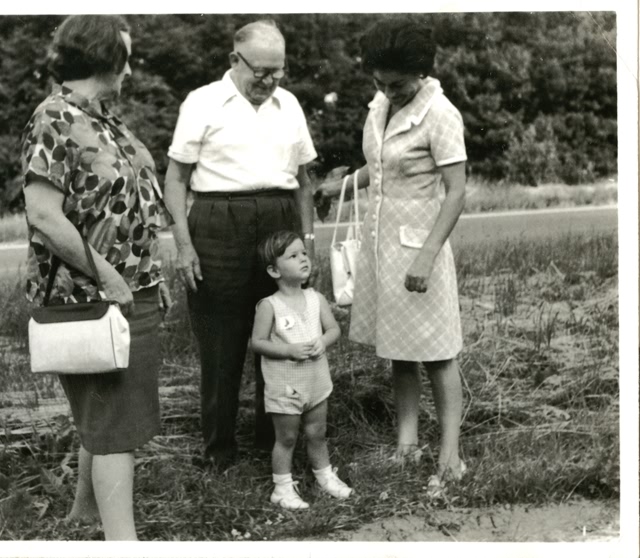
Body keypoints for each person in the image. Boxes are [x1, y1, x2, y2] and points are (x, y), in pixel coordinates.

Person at [21, 15, 171, 540]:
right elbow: (44, 214)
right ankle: (121, 543)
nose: (130, 69)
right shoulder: (55, 118)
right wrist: (109, 276)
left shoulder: (106, 118)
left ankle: (84, 514)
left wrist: (148, 273)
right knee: (115, 429)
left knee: (107, 416)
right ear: (104, 58)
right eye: (125, 57)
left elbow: (128, 205)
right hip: (90, 296)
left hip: (131, 288)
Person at [315, 18, 467, 484]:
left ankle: (450, 454)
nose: (386, 91)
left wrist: (426, 256)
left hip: (423, 246)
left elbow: (457, 190)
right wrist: (345, 183)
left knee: (439, 351)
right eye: (378, 82)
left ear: (420, 72)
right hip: (382, 245)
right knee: (399, 349)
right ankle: (407, 443)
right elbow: (380, 166)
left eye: (396, 83)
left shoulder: (440, 114)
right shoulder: (381, 103)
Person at [164, 20, 317, 468]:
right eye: (260, 72)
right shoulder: (202, 102)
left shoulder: (289, 105)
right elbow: (175, 180)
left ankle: (275, 448)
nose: (268, 83)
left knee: (282, 334)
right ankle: (218, 453)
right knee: (221, 344)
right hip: (217, 223)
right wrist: (184, 244)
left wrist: (307, 242)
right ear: (235, 60)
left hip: (279, 222)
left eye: (277, 72)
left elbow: (304, 185)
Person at [250, 231, 351, 510]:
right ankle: (282, 488)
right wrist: (288, 351)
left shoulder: (315, 298)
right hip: (286, 385)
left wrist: (322, 341)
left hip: (316, 381)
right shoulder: (269, 306)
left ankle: (325, 476)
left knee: (317, 431)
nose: (303, 259)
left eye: (303, 253)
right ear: (274, 270)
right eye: (292, 256)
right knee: (287, 437)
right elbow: (256, 343)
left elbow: (334, 329)